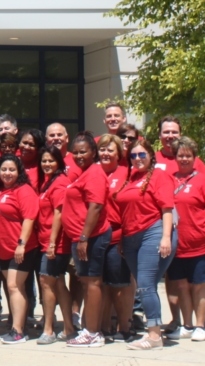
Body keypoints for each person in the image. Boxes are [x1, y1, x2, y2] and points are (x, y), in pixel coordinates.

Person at [114, 137, 177, 350]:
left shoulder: (159, 176)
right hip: (130, 238)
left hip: (153, 233)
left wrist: (166, 237)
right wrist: (123, 237)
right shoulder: (130, 178)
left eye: (142, 154)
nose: (138, 158)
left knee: (145, 285)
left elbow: (167, 209)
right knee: (143, 287)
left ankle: (154, 335)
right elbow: (126, 212)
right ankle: (153, 328)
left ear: (151, 155)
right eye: (133, 155)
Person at [164, 136, 205, 342]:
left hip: (199, 242)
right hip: (178, 243)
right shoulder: (169, 179)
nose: (184, 159)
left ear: (194, 158)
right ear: (175, 157)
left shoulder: (203, 179)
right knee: (181, 285)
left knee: (198, 284)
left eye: (188, 155)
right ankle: (186, 325)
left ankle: (200, 325)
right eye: (181, 155)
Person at [60, 133, 110, 348]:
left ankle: (93, 332)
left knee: (92, 282)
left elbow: (96, 207)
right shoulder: (84, 173)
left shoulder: (95, 174)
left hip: (91, 237)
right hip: (82, 237)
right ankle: (89, 329)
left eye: (84, 151)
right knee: (88, 282)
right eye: (76, 152)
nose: (79, 155)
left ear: (94, 152)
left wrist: (83, 238)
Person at [0, 154, 39, 345]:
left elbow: (29, 218)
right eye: (4, 170)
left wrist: (21, 244)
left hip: (21, 249)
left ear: (19, 172)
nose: (8, 173)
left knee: (14, 286)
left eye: (12, 170)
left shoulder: (23, 190)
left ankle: (18, 331)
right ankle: (16, 326)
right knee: (13, 287)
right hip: (3, 250)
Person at [35, 147, 74, 345]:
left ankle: (48, 329)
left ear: (59, 162)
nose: (47, 164)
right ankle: (69, 328)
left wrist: (52, 243)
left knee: (47, 282)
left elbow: (59, 213)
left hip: (56, 244)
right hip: (47, 242)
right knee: (57, 283)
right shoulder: (48, 182)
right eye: (44, 161)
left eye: (51, 160)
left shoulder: (59, 183)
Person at [97, 133, 132, 343]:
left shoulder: (127, 173)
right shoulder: (93, 172)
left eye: (110, 150)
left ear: (119, 153)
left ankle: (125, 326)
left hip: (119, 236)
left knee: (120, 285)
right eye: (102, 149)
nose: (106, 153)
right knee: (100, 285)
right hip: (97, 237)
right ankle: (103, 325)